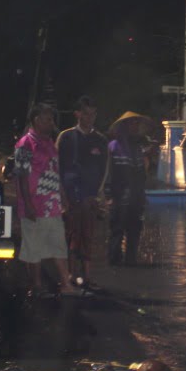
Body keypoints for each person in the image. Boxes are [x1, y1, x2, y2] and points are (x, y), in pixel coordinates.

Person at [14, 104, 81, 296]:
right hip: (34, 204)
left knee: (58, 246)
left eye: (52, 119)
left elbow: (55, 172)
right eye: (47, 119)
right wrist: (27, 204)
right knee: (34, 248)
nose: (51, 123)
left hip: (52, 205)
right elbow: (21, 176)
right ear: (36, 120)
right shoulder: (25, 144)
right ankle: (36, 286)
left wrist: (63, 198)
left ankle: (66, 285)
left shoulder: (49, 142)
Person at [56, 96, 107, 287]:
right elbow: (57, 168)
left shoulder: (100, 140)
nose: (90, 118)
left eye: (93, 114)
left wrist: (98, 196)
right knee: (71, 236)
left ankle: (87, 275)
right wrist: (63, 197)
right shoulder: (66, 137)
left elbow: (104, 170)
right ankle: (71, 274)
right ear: (77, 114)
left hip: (90, 197)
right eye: (86, 114)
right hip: (70, 196)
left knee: (88, 236)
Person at [107, 112, 150, 266]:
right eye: (132, 123)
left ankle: (131, 259)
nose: (135, 127)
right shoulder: (114, 146)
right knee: (117, 229)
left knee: (135, 229)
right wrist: (109, 196)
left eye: (137, 124)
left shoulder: (137, 148)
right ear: (124, 126)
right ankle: (115, 260)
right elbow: (109, 173)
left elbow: (141, 174)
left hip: (136, 196)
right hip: (120, 196)